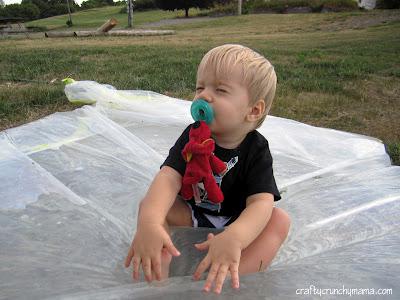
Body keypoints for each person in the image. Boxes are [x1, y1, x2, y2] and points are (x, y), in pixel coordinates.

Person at [125, 44, 291, 294]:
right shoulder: (192, 136)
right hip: (195, 212)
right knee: (152, 208)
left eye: (220, 90)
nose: (203, 96)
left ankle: (229, 278)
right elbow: (169, 178)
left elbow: (260, 203)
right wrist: (150, 222)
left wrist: (236, 236)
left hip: (237, 218)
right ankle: (158, 273)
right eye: (200, 87)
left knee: (279, 221)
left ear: (253, 110)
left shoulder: (256, 148)